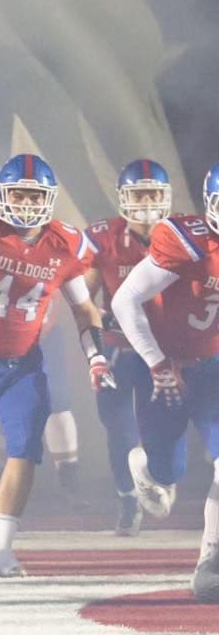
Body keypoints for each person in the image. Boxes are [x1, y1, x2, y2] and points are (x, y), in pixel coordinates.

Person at [0, 154, 105, 578]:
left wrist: (97, 356)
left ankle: (0, 549)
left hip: (22, 364)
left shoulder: (65, 244)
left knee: (26, 448)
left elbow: (83, 307)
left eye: (36, 195)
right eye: (19, 193)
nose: (28, 203)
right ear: (1, 195)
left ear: (49, 198)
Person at [112, 163, 219, 603]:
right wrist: (156, 363)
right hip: (170, 367)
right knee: (166, 469)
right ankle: (146, 467)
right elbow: (124, 299)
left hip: (215, 368)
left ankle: (210, 559)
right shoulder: (185, 240)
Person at [84, 159, 173, 536]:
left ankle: (162, 479)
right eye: (139, 193)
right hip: (120, 349)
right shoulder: (104, 237)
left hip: (166, 351)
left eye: (154, 193)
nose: (147, 201)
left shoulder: (182, 237)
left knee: (167, 426)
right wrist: (101, 316)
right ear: (123, 197)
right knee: (118, 429)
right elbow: (82, 300)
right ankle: (127, 501)